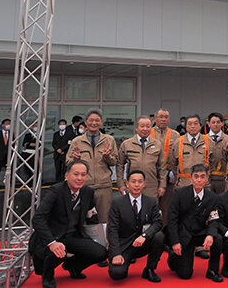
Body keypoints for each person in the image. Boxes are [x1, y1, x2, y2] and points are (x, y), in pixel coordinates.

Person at [29, 160, 107, 288]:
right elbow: (38, 218)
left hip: (73, 236)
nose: (80, 178)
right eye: (76, 174)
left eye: (83, 175)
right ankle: (47, 276)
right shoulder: (55, 191)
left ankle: (73, 267)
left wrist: (100, 238)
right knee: (60, 251)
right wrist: (52, 242)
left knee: (101, 252)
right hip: (52, 237)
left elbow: (91, 216)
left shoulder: (87, 192)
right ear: (66, 175)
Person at [167, 164, 223, 282]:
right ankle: (173, 257)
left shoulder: (213, 198)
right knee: (185, 274)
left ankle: (212, 270)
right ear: (191, 178)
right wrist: (175, 242)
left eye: (202, 177)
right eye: (196, 176)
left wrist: (210, 234)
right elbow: (172, 219)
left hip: (200, 233)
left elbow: (214, 219)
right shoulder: (179, 194)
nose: (199, 180)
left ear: (207, 179)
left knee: (217, 238)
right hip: (184, 234)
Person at [107, 170, 165, 282]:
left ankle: (150, 269)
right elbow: (112, 229)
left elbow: (158, 222)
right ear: (127, 184)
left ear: (144, 184)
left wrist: (145, 235)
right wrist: (116, 254)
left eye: (140, 182)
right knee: (117, 274)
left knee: (159, 236)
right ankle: (124, 262)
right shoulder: (117, 203)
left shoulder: (151, 201)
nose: (137, 185)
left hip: (143, 243)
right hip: (125, 245)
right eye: (133, 181)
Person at [65, 108, 118, 224]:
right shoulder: (77, 141)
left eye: (97, 120)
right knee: (80, 219)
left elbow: (114, 161)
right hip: (83, 186)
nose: (94, 123)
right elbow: (68, 162)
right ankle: (82, 242)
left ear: (101, 122)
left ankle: (106, 242)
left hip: (103, 187)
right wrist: (75, 160)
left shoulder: (109, 140)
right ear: (86, 122)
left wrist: (107, 157)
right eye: (91, 120)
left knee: (105, 220)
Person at [117, 116, 166, 199]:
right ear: (136, 128)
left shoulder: (157, 144)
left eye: (148, 126)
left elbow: (162, 167)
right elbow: (119, 165)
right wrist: (121, 184)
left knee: (151, 210)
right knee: (132, 210)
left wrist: (162, 185)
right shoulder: (127, 144)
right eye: (142, 126)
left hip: (151, 186)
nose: (145, 129)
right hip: (133, 186)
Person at [150, 108, 181, 225]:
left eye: (166, 117)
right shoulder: (148, 132)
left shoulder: (175, 134)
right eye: (161, 117)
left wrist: (175, 173)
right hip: (152, 174)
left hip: (169, 175)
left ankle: (165, 233)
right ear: (155, 118)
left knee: (167, 206)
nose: (163, 119)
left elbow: (178, 156)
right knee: (151, 205)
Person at [169, 114, 210, 188]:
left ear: (200, 126)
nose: (193, 126)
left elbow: (214, 160)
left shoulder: (209, 141)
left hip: (203, 184)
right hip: (183, 184)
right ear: (185, 126)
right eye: (190, 124)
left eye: (195, 123)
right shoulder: (178, 142)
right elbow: (173, 162)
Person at [205, 112, 227, 194]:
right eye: (213, 122)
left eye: (218, 122)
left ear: (222, 123)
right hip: (207, 179)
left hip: (223, 179)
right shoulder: (203, 140)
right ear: (208, 124)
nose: (216, 124)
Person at [0, 119, 11, 188]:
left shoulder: (12, 134)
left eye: (9, 124)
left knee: (10, 173)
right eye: (7, 124)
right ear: (3, 125)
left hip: (9, 156)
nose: (8, 125)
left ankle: (10, 187)